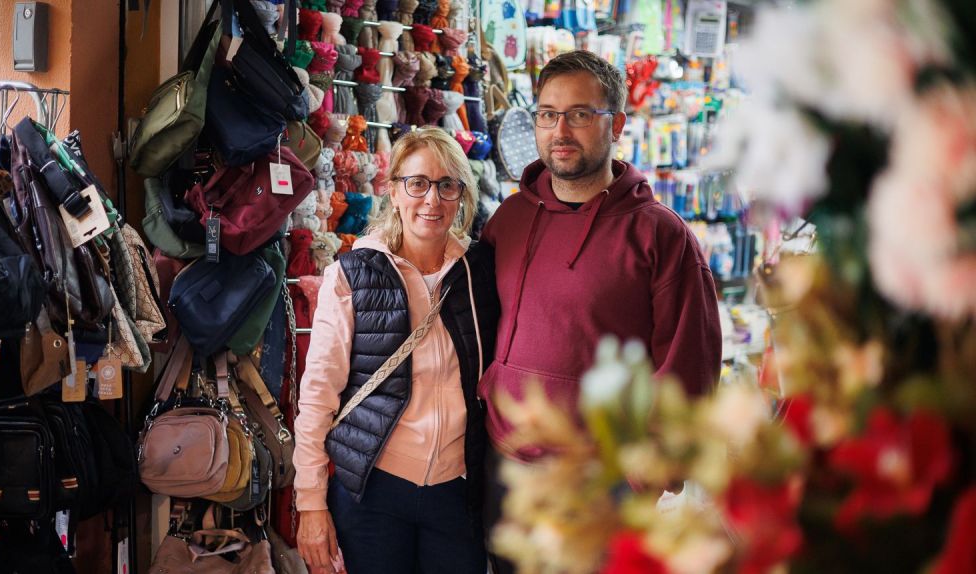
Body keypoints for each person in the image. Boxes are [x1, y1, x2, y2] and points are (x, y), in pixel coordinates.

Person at [478, 50, 723, 570]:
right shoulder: (511, 217)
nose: (560, 129)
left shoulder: (660, 234)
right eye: (548, 113)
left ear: (618, 123)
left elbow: (689, 366)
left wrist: (644, 479)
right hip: (506, 471)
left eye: (581, 114)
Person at [293, 127, 498, 574]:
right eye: (418, 183)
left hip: (455, 493)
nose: (432, 200)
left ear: (462, 195)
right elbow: (317, 397)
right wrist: (311, 504)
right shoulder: (352, 275)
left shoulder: (478, 274)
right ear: (395, 191)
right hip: (373, 493)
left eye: (448, 185)